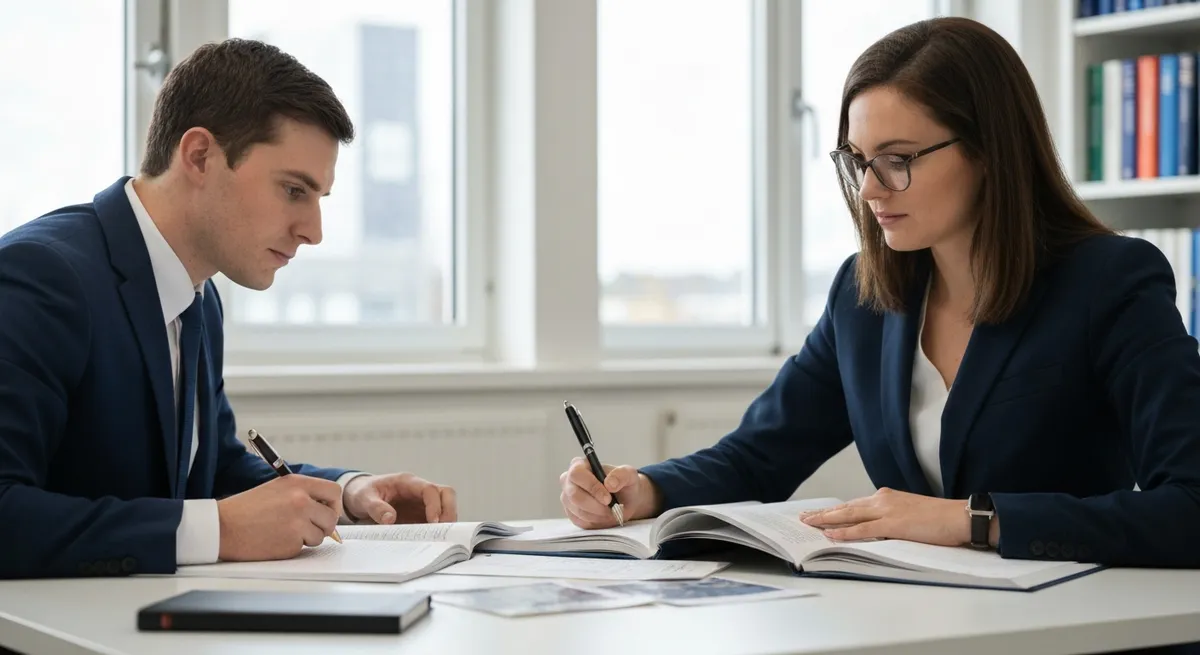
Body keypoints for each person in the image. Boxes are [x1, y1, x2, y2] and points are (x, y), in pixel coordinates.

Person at [559, 17, 1200, 571]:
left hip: (1082, 627)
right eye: (858, 160)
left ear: (988, 151)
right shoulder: (863, 296)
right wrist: (643, 488)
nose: (869, 190)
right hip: (923, 615)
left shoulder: (1110, 281)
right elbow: (758, 456)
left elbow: (1189, 504)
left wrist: (972, 520)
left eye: (897, 159)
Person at [0, 38, 457, 580]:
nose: (312, 231)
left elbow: (211, 473)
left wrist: (350, 492)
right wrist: (220, 531)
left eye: (317, 200)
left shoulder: (199, 295)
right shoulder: (42, 276)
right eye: (293, 190)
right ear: (199, 156)